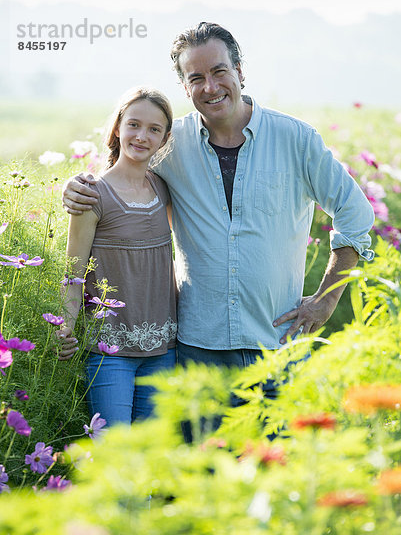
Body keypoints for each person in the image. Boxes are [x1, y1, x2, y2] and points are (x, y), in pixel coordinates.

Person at [62, 22, 374, 374]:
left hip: (279, 346)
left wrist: (326, 300)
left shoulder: (296, 139)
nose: (210, 87)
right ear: (184, 87)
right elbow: (123, 175)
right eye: (196, 78)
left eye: (219, 71)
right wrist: (79, 186)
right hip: (198, 351)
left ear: (240, 72)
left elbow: (355, 213)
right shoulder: (170, 142)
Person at [57, 87, 177, 426]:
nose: (142, 136)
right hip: (110, 352)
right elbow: (74, 274)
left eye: (154, 129)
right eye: (134, 125)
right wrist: (65, 326)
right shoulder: (92, 195)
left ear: (164, 138)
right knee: (112, 452)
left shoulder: (162, 190)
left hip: (163, 350)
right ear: (117, 129)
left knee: (150, 451)